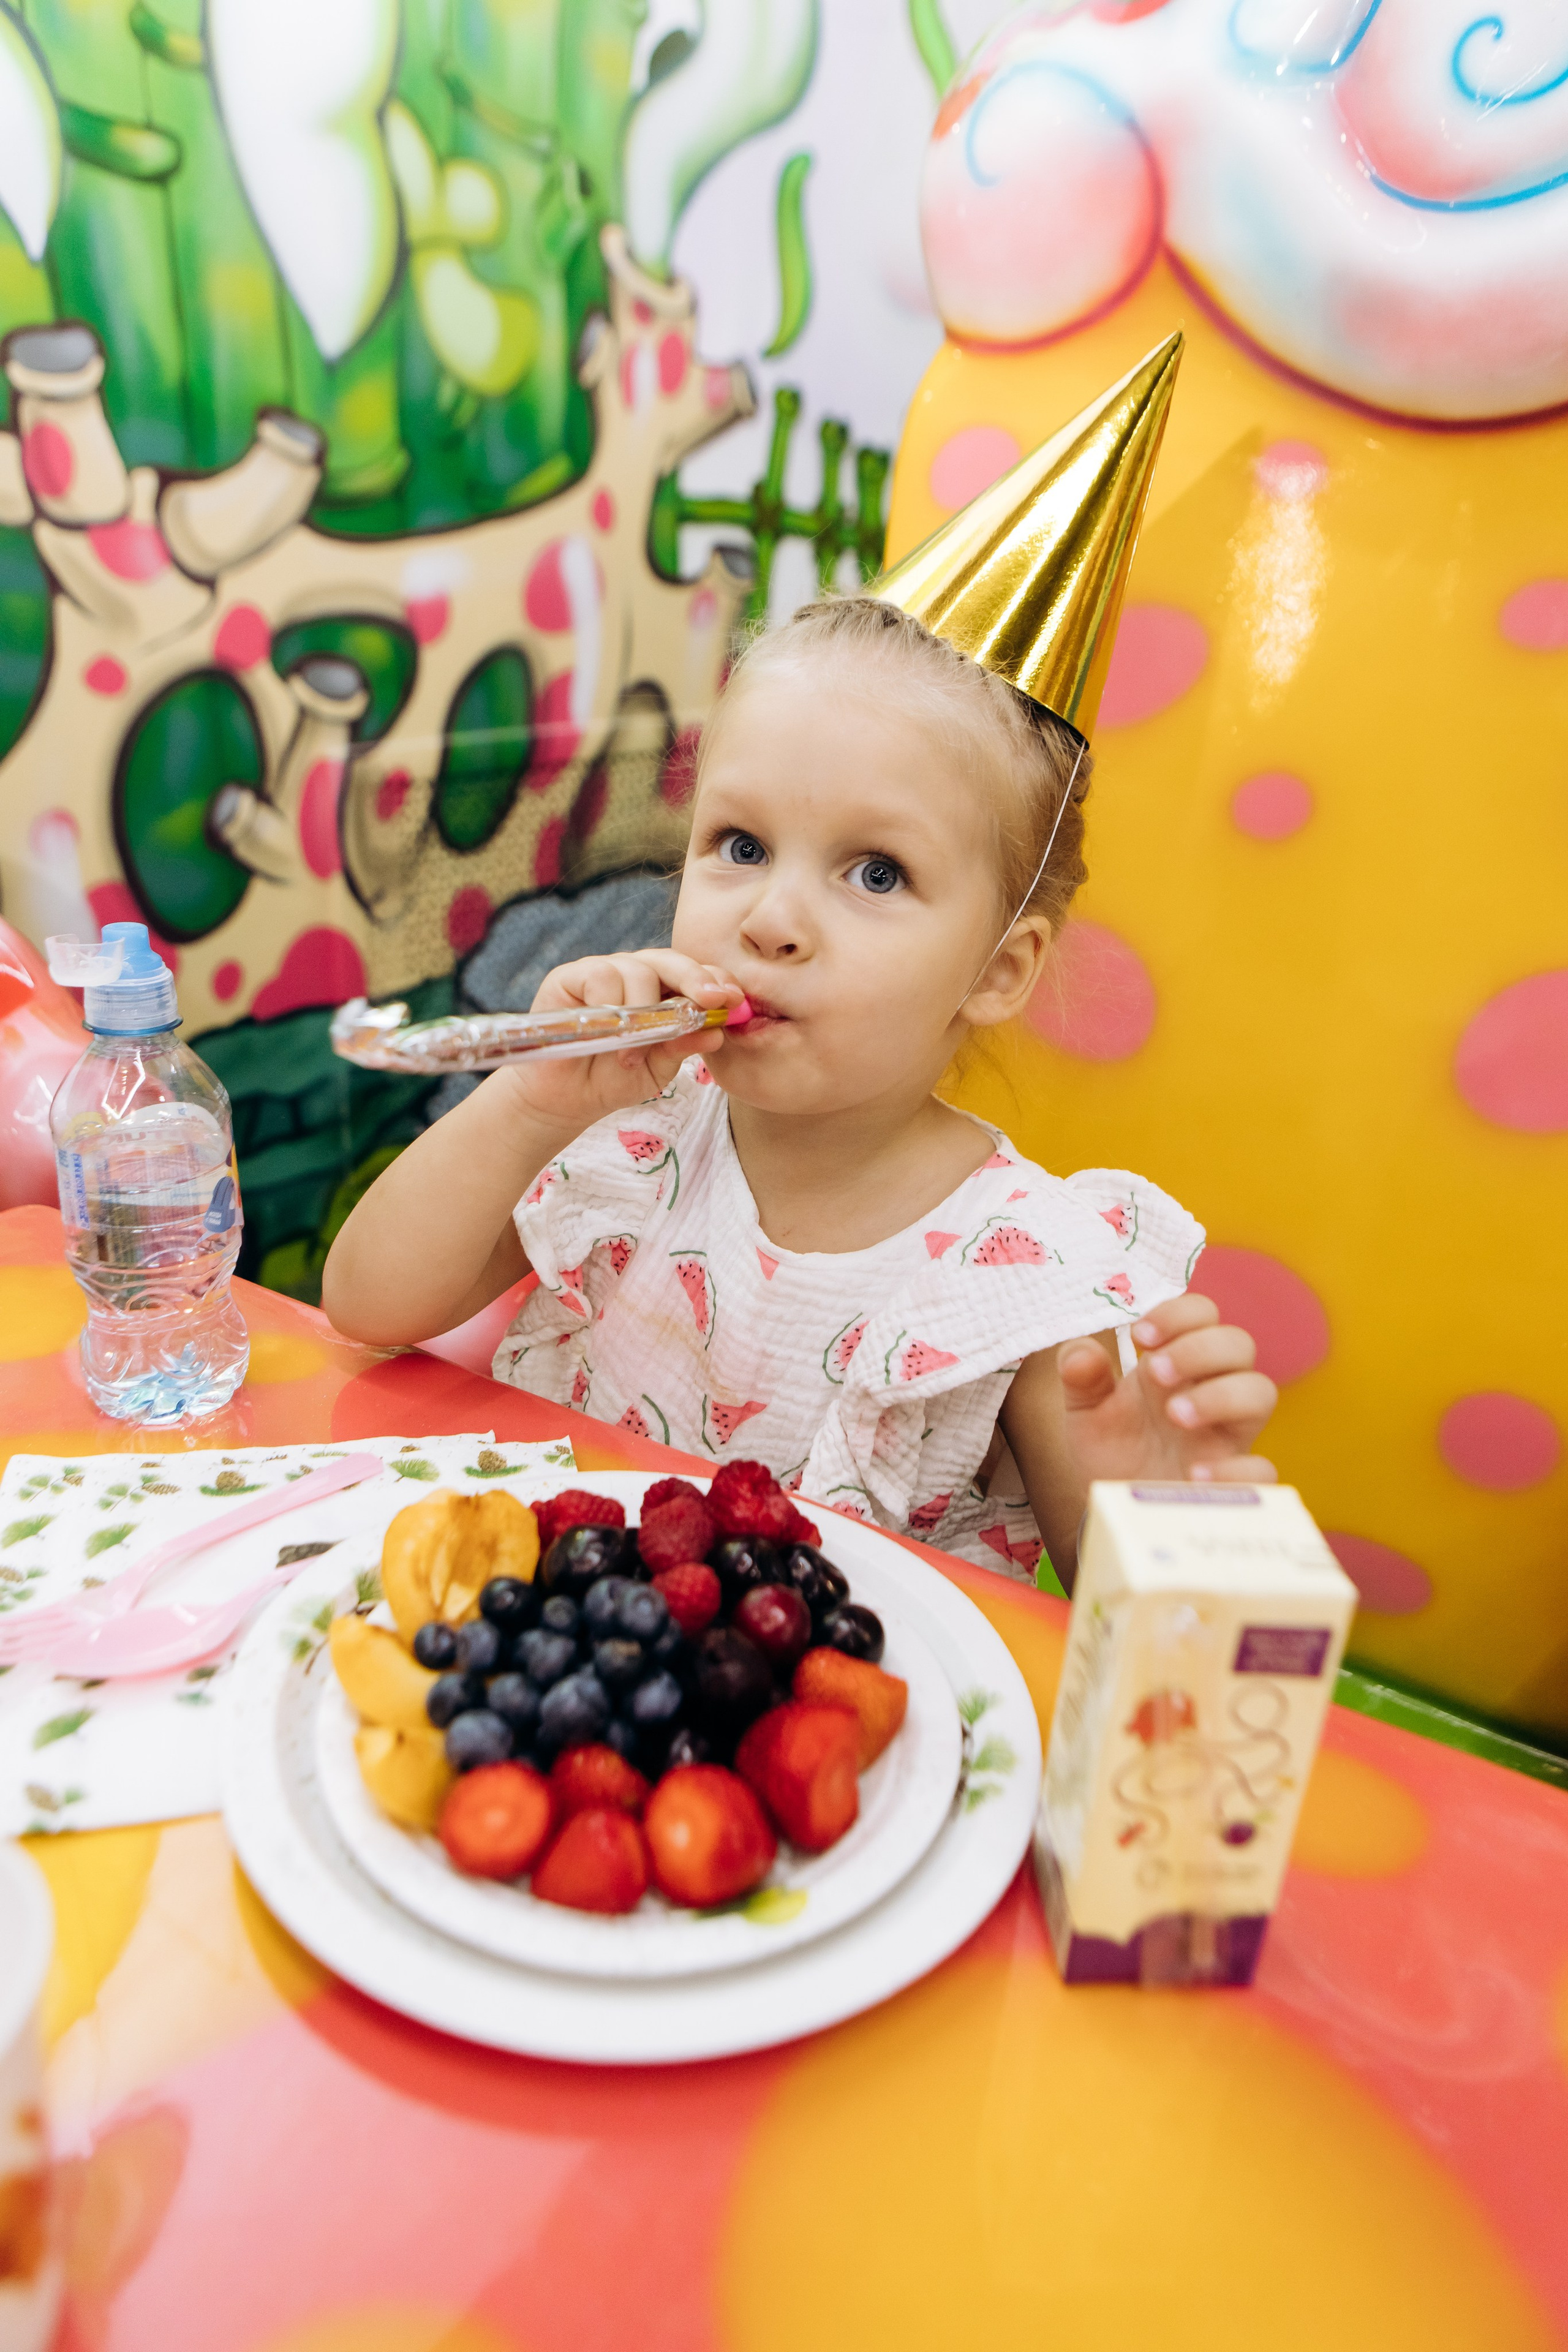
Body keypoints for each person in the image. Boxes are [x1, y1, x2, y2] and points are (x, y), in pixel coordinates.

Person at [324, 590, 1276, 1591]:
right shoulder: (632, 1133)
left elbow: (1127, 1617)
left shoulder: (1029, 1273)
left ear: (998, 970)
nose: (770, 920)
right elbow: (369, 1306)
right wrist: (526, 1104)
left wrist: (1156, 1515)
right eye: (741, 846)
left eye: (876, 874)